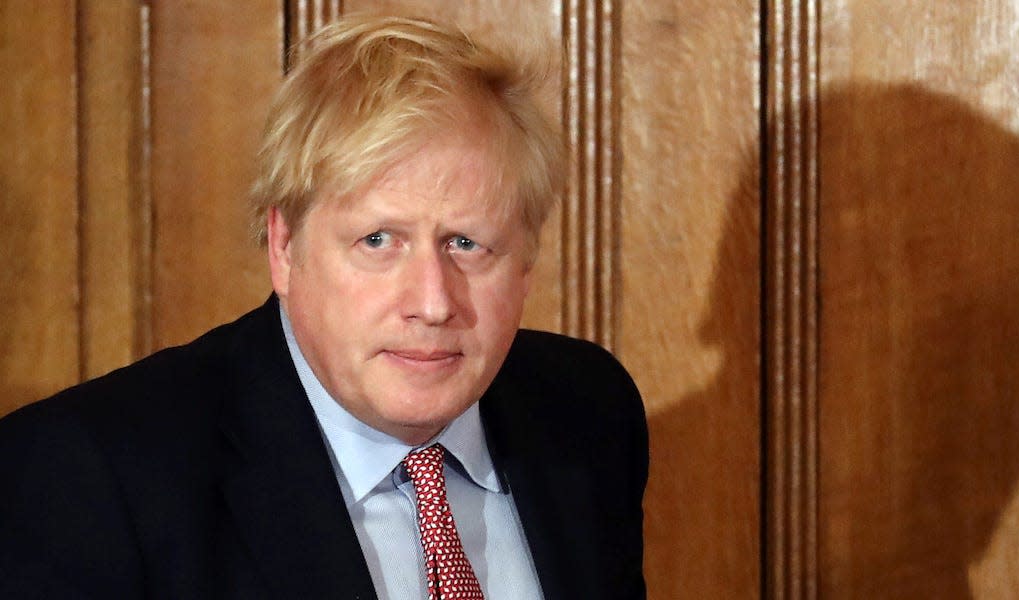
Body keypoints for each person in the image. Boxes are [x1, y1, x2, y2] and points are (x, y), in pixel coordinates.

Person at [0, 13, 647, 600]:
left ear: (526, 264)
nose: (431, 303)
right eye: (377, 241)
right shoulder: (90, 480)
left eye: (468, 244)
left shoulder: (588, 413)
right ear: (284, 248)